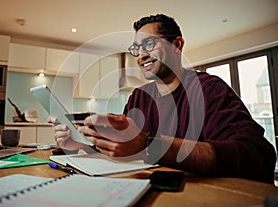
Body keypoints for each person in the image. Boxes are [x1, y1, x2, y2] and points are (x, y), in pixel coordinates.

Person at [49, 14, 276, 183]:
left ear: (177, 45)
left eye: (149, 44)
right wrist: (74, 146)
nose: (141, 55)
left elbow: (258, 156)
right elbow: (122, 152)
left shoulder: (209, 89)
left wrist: (149, 144)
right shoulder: (139, 97)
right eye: (136, 48)